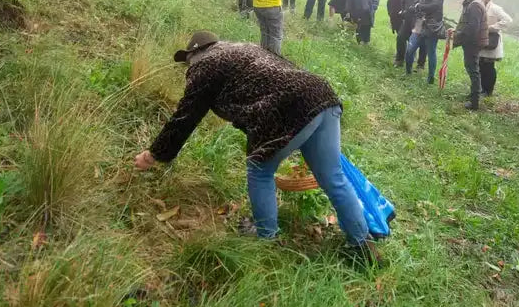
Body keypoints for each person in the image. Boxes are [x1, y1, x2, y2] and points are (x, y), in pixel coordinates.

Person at [133, 31, 384, 265]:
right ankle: (361, 246)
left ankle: (267, 239)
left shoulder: (205, 65)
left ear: (193, 54)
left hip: (285, 108)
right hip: (321, 95)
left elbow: (185, 117)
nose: (188, 69)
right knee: (333, 177)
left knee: (260, 171)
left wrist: (155, 153)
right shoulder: (243, 49)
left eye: (187, 63)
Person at [450, 0, 487, 110]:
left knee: (473, 70)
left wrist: (458, 33)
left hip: (472, 43)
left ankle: (474, 102)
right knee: (472, 69)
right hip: (472, 42)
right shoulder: (473, 3)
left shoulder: (475, 5)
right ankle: (474, 95)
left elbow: (473, 28)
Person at [405, 0, 444, 83]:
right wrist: (415, 7)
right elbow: (414, 6)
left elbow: (433, 6)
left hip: (432, 28)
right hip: (419, 25)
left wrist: (419, 6)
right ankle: (408, 72)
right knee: (410, 49)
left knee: (431, 53)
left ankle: (430, 78)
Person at [477, 0, 513, 97]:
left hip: (492, 39)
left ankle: (488, 90)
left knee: (488, 66)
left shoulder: (495, 8)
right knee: (480, 65)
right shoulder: (478, 7)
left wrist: (491, 27)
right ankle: (481, 88)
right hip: (480, 39)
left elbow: (508, 20)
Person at [394, 0, 427, 68]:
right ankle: (399, 59)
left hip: (419, 21)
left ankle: (420, 65)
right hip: (407, 19)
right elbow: (403, 1)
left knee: (421, 43)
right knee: (400, 38)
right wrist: (403, 11)